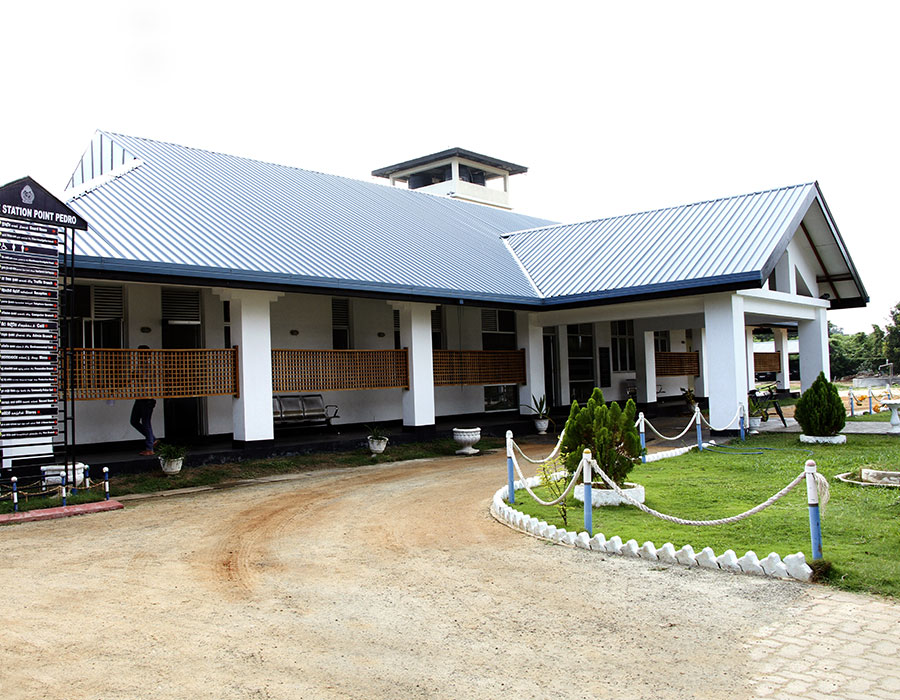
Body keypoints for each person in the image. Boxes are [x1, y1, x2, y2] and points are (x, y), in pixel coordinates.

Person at [130, 344, 157, 456]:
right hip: (140, 397)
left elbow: (144, 378)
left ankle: (150, 448)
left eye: (141, 354)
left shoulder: (149, 367)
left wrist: (134, 375)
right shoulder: (139, 366)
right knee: (134, 421)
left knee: (146, 422)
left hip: (147, 398)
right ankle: (152, 439)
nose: (139, 356)